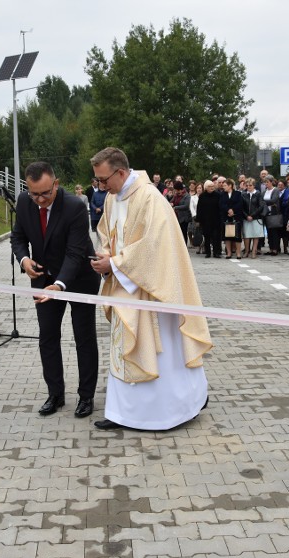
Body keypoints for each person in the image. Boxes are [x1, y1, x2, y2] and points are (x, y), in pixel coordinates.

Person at [89, 147, 212, 431]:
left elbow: (156, 246)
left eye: (104, 179)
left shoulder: (150, 198)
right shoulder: (111, 199)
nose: (101, 185)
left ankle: (172, 410)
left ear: (121, 172)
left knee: (164, 353)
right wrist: (105, 258)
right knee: (123, 348)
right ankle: (122, 412)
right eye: (98, 180)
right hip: (124, 284)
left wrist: (116, 263)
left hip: (153, 290)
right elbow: (106, 233)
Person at [10, 161, 100, 419]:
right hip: (42, 277)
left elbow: (75, 254)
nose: (39, 199)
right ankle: (56, 393)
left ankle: (86, 396)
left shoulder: (74, 207)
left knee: (84, 337)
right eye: (33, 193)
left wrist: (59, 285)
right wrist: (24, 260)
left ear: (56, 184)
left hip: (79, 279)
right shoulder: (25, 202)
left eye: (45, 193)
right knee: (47, 336)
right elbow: (18, 237)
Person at [219, 178, 244, 259]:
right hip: (226, 217)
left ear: (230, 186)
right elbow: (221, 204)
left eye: (225, 185)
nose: (223, 187)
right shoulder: (222, 194)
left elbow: (240, 204)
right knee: (227, 236)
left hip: (236, 217)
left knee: (237, 236)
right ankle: (229, 253)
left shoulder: (238, 194)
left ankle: (238, 253)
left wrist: (233, 210)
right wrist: (228, 210)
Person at [196, 179, 221, 258]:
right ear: (206, 187)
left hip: (216, 219)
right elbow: (199, 208)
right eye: (210, 186)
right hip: (205, 220)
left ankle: (216, 252)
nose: (212, 188)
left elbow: (220, 207)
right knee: (207, 236)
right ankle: (208, 252)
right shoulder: (202, 196)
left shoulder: (218, 195)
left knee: (216, 236)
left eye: (213, 186)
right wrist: (198, 220)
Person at [241, 178, 265, 258]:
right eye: (247, 185)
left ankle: (254, 251)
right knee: (246, 235)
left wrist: (253, 215)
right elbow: (242, 207)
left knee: (255, 235)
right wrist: (246, 216)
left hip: (256, 217)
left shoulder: (258, 194)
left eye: (250, 185)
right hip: (246, 217)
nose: (248, 187)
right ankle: (247, 250)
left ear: (254, 185)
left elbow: (261, 206)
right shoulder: (243, 194)